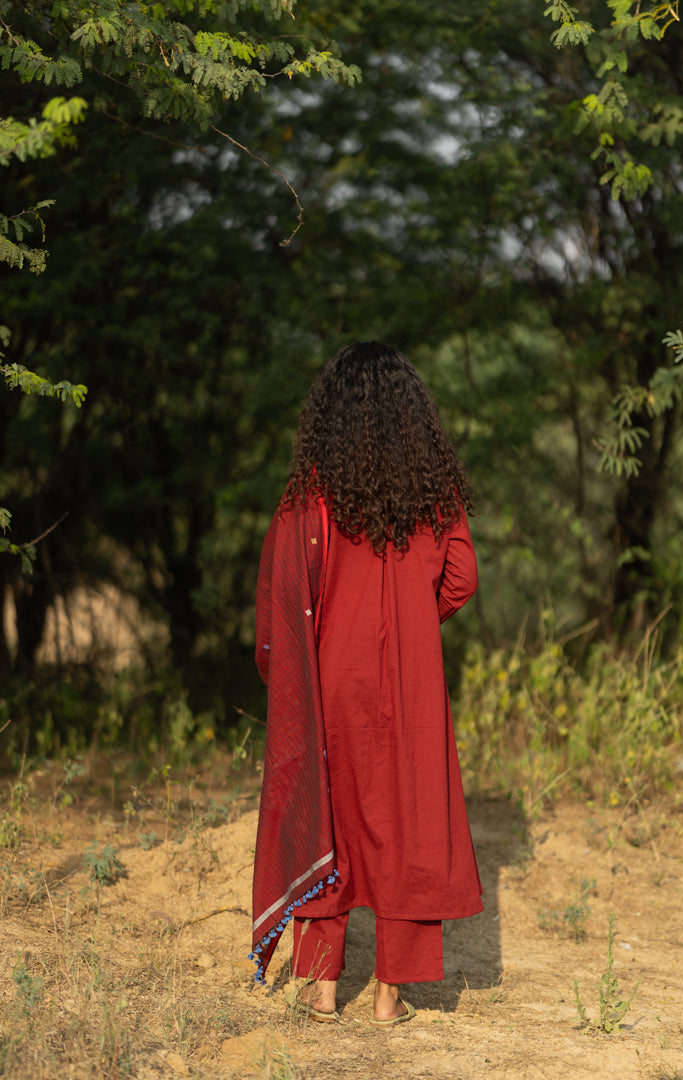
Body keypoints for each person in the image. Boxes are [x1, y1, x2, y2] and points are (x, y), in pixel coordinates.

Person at [250, 341, 483, 1026]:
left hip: (332, 680)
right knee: (410, 824)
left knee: (330, 815)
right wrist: (416, 620)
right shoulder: (432, 492)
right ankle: (389, 996)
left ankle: (322, 988)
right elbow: (463, 579)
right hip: (411, 684)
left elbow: (281, 591)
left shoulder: (312, 494)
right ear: (414, 415)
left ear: (329, 415)